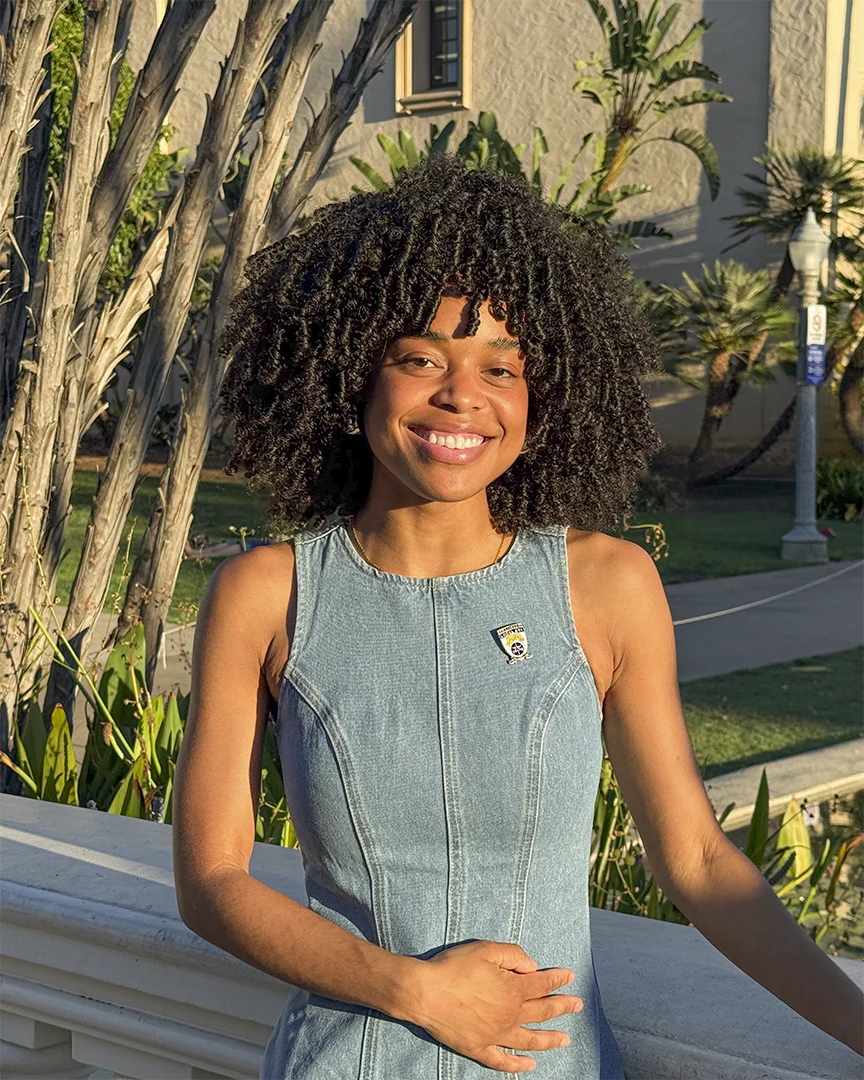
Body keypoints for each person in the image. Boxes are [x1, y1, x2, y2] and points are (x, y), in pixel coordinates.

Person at [171, 155, 864, 1078]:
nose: (464, 396)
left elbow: (696, 859)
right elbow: (211, 883)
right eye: (421, 358)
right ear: (353, 378)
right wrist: (413, 990)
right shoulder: (267, 593)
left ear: (542, 400)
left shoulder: (605, 585)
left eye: (503, 367)